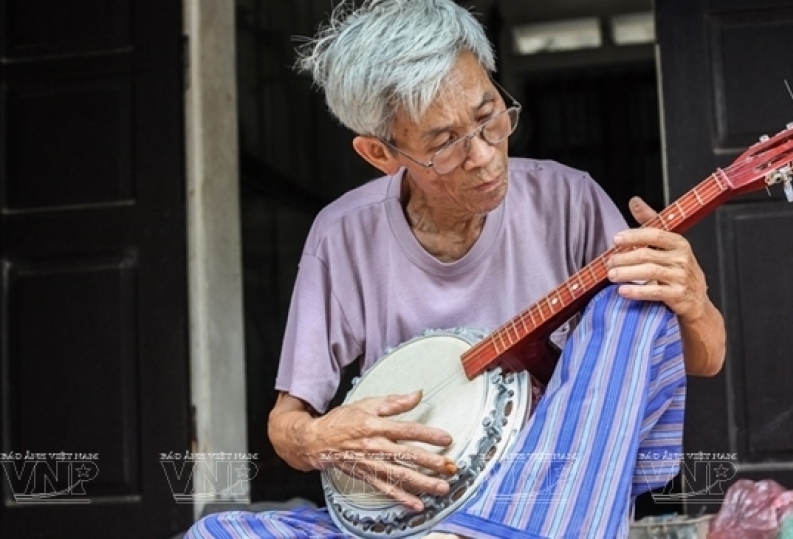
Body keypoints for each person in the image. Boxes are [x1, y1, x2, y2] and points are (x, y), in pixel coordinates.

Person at [186, 0, 726, 537]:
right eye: (445, 144)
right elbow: (287, 422)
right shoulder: (343, 234)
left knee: (628, 302)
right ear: (381, 154)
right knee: (214, 534)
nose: (486, 156)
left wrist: (691, 298)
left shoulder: (569, 199)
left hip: (550, 497)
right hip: (415, 512)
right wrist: (320, 437)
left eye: (490, 116)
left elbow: (699, 359)